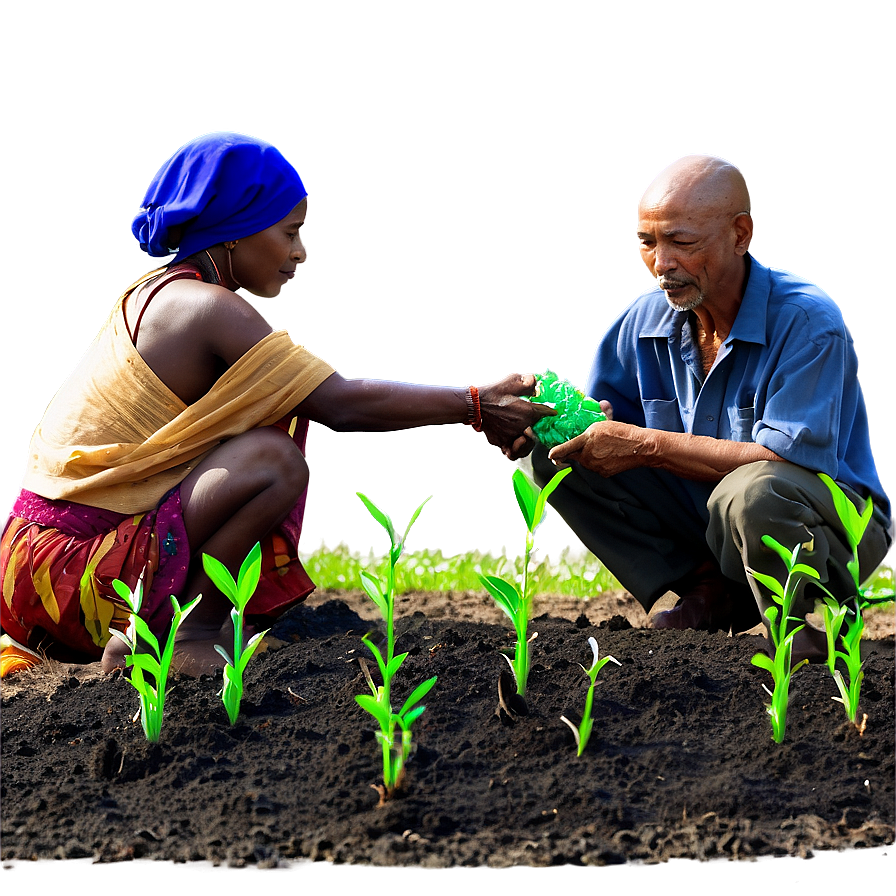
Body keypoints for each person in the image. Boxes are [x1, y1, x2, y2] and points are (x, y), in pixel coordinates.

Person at [0, 131, 549, 677]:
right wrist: (479, 405)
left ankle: (159, 628)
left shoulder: (157, 296)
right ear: (235, 232)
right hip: (79, 578)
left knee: (251, 445)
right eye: (289, 232)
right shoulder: (206, 309)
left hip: (32, 573)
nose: (300, 252)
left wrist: (477, 412)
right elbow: (342, 403)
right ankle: (182, 635)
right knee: (273, 461)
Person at [532, 152, 892, 663]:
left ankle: (798, 625)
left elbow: (786, 464)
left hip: (829, 527)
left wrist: (648, 445)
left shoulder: (807, 321)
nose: (661, 263)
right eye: (647, 242)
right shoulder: (646, 319)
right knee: (560, 458)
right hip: (711, 517)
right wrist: (541, 422)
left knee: (753, 493)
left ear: (741, 235)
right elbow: (603, 422)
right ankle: (708, 591)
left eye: (681, 242)